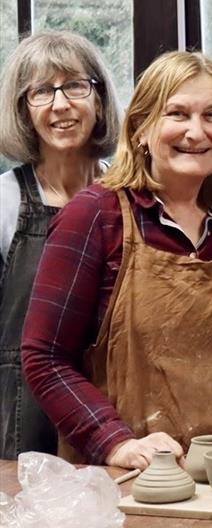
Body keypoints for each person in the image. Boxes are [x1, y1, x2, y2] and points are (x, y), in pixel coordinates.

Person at [21, 51, 212, 469]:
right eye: (177, 113)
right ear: (140, 128)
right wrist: (114, 442)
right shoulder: (94, 217)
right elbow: (44, 358)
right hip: (128, 480)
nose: (197, 131)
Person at [0, 30, 120, 459]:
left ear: (100, 99)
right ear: (22, 110)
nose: (61, 104)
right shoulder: (5, 202)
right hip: (24, 421)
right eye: (41, 92)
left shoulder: (129, 198)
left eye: (74, 85)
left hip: (120, 417)